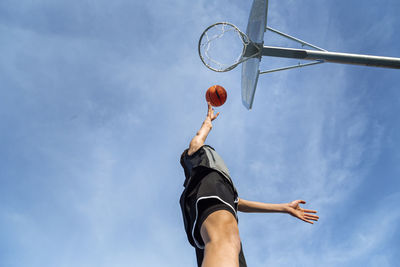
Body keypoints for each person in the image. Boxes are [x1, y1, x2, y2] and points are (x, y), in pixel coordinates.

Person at [179, 102, 319, 267]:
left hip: (213, 198)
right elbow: (198, 136)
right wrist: (208, 122)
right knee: (226, 243)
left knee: (231, 250)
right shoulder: (196, 155)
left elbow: (239, 203)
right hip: (209, 193)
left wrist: (284, 208)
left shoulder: (224, 186)